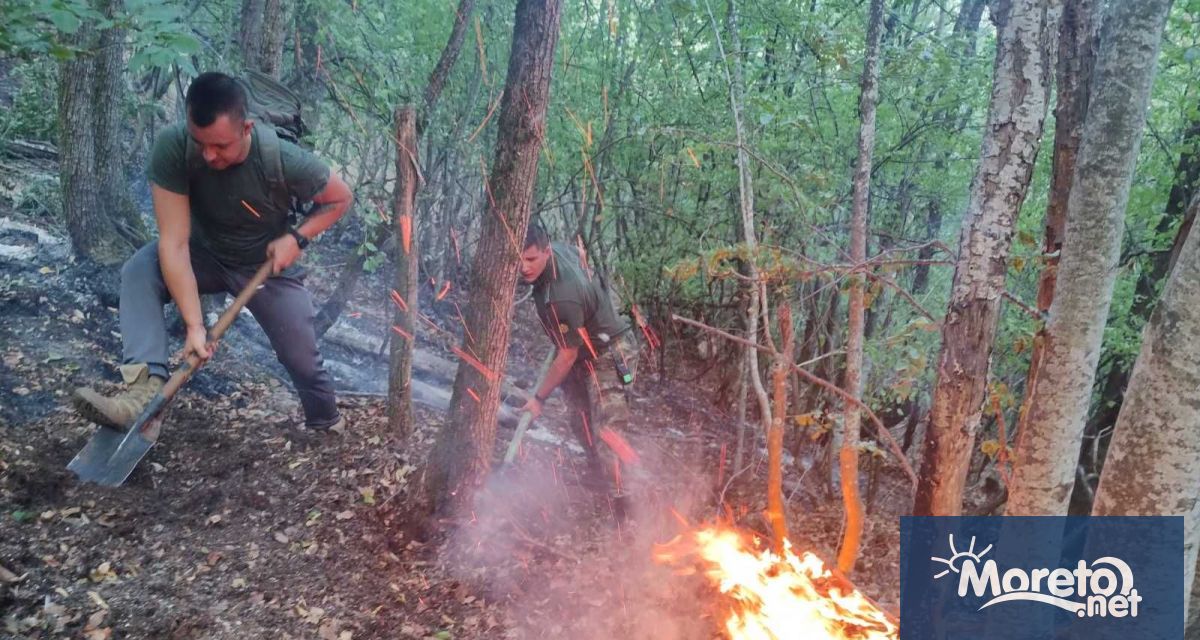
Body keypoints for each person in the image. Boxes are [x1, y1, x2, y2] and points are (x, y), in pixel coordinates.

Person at [72, 72, 353, 432]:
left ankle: (325, 424)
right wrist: (194, 326)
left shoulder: (282, 157)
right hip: (201, 254)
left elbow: (340, 197)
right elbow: (173, 243)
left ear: (247, 128)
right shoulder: (173, 147)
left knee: (302, 359)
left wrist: (296, 239)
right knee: (139, 271)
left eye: (220, 146)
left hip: (261, 267)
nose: (208, 154)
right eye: (200, 142)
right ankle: (143, 396)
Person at [518, 224, 639, 498]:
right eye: (519, 259)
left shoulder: (562, 297)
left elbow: (566, 356)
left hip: (610, 353)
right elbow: (577, 251)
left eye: (531, 259)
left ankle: (624, 505)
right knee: (579, 420)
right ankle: (599, 476)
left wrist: (538, 399)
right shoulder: (559, 251)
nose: (524, 267)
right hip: (580, 352)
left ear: (547, 252)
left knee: (608, 432)